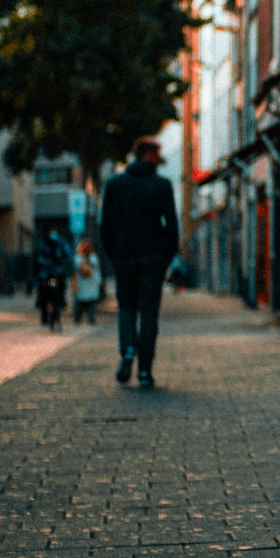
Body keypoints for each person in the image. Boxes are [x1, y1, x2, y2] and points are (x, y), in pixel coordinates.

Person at [98, 136, 178, 387]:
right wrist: (167, 256)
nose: (158, 160)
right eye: (156, 154)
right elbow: (171, 226)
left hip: (124, 256)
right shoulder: (161, 185)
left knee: (126, 308)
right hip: (153, 256)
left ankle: (128, 351)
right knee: (149, 313)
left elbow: (106, 225)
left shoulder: (115, 184)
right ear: (149, 155)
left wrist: (113, 254)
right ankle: (144, 371)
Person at [35, 230, 72, 330]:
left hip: (55, 276)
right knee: (46, 292)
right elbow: (39, 259)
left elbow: (69, 255)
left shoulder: (61, 243)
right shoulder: (43, 245)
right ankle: (47, 308)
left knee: (56, 290)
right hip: (47, 275)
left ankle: (57, 305)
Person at [72, 238, 103, 324]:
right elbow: (77, 265)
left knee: (91, 304)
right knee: (80, 304)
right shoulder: (78, 258)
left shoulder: (93, 257)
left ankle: (91, 319)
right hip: (81, 286)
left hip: (91, 285)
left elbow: (97, 271)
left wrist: (99, 282)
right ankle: (77, 319)